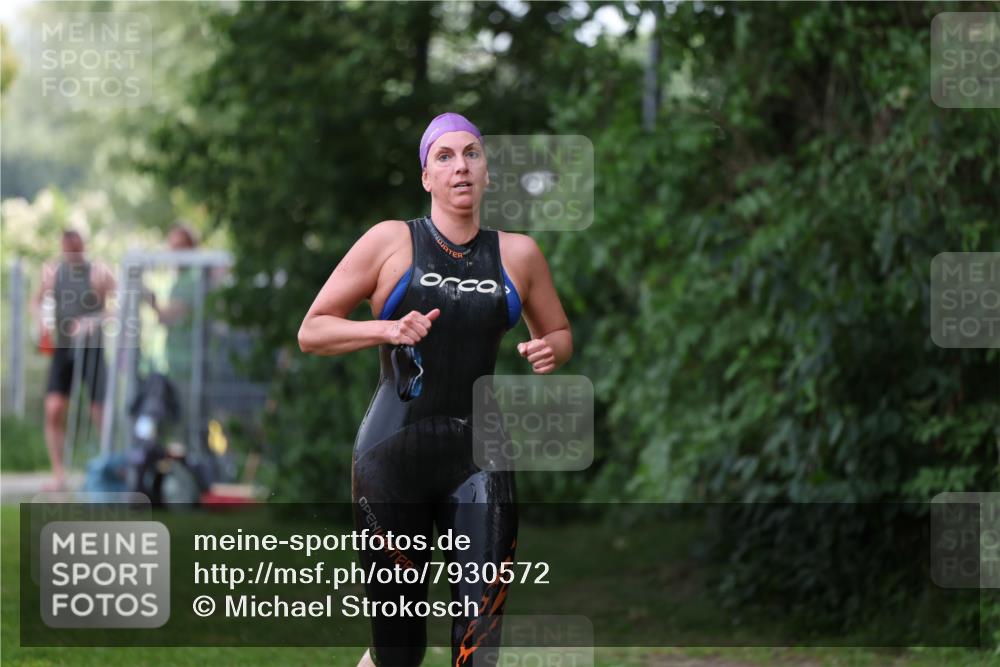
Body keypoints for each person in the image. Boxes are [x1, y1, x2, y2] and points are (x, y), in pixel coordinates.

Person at [298, 112, 572, 667]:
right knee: (399, 651)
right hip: (391, 458)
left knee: (478, 644)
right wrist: (386, 328)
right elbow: (313, 330)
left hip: (480, 458)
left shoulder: (518, 255)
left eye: (471, 153)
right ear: (426, 177)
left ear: (487, 171)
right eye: (444, 157)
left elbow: (559, 332)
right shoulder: (391, 241)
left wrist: (552, 349)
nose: (460, 166)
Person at [31, 229, 117, 491]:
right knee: (54, 409)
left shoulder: (99, 272)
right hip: (63, 349)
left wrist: (92, 320)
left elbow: (120, 304)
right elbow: (35, 302)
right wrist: (41, 326)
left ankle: (110, 469)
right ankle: (59, 474)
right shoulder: (53, 273)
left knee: (99, 411)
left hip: (92, 351)